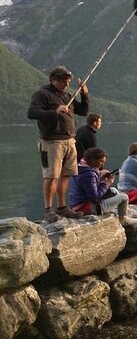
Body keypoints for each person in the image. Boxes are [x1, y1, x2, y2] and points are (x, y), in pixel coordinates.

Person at [27, 66, 89, 222]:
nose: (66, 84)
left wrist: (84, 95)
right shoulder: (42, 94)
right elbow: (32, 113)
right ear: (53, 79)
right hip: (51, 141)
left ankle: (62, 208)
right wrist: (54, 111)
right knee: (51, 176)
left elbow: (83, 111)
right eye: (63, 81)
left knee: (65, 175)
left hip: (69, 140)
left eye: (68, 81)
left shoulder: (68, 95)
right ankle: (48, 210)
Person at [68, 147, 137, 225]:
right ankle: (122, 219)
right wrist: (107, 183)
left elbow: (89, 188)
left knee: (113, 190)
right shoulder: (88, 174)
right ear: (92, 160)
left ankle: (127, 211)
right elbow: (94, 197)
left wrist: (100, 180)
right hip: (87, 207)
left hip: (79, 204)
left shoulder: (82, 168)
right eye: (101, 161)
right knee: (124, 197)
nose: (102, 164)